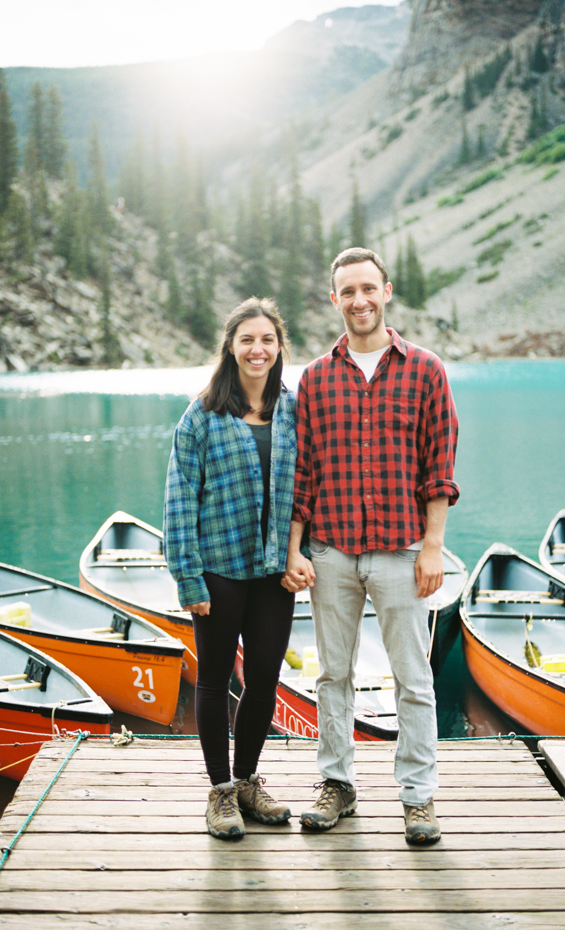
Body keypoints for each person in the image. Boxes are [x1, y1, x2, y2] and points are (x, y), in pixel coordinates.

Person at [283, 247, 459, 846]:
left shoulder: (426, 370)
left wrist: (433, 546)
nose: (358, 300)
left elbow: (439, 466)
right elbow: (301, 475)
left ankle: (418, 798)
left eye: (368, 288)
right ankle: (338, 784)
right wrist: (295, 551)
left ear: (387, 292)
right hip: (330, 553)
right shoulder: (313, 378)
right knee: (333, 675)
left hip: (402, 551)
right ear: (334, 301)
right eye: (346, 292)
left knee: (413, 678)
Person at [164, 297, 297, 841]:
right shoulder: (201, 415)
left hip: (273, 573)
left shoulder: (292, 410)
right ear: (230, 347)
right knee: (216, 679)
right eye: (247, 340)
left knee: (265, 675)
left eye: (267, 339)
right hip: (217, 569)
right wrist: (187, 577)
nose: (257, 349)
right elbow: (178, 499)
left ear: (279, 346)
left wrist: (300, 554)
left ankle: (247, 781)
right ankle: (219, 791)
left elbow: (304, 491)